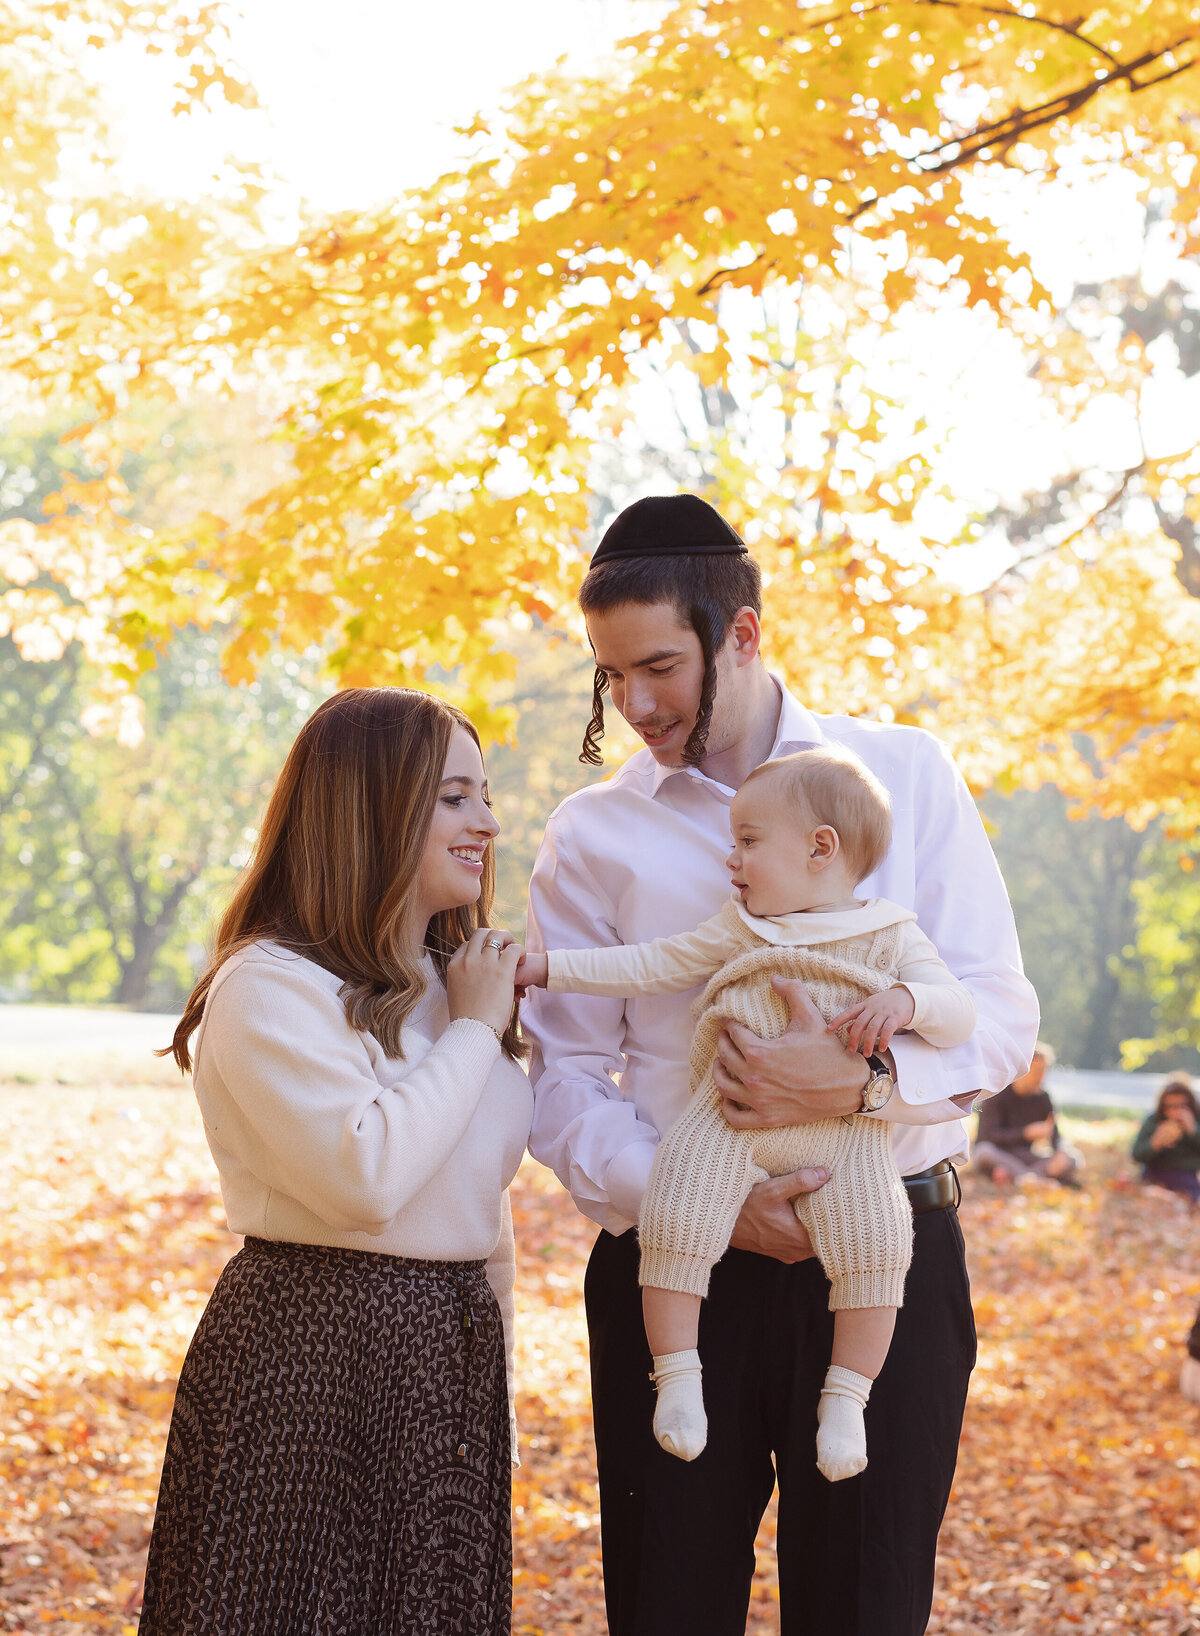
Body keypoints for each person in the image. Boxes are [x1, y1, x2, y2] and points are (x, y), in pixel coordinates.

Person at [523, 492, 1039, 1636]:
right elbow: (561, 1077)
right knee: (667, 1610)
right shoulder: (592, 832)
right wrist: (699, 1201)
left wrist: (863, 1085)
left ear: (743, 633)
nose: (636, 704)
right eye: (611, 676)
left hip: (887, 1254)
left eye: (658, 665)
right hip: (678, 1273)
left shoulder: (904, 774)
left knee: (865, 1610)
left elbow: (997, 1009)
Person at [139, 689, 532, 1636]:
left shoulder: (459, 987)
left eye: (484, 795)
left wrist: (496, 1385)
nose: (487, 821)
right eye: (453, 798)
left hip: (447, 1361)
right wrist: (477, 1030)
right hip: (309, 1355)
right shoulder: (270, 987)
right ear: (368, 807)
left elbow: (484, 1206)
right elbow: (367, 1179)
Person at [518, 745, 976, 1482]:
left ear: (820, 848)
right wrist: (550, 967)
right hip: (725, 1117)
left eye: (749, 843)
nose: (731, 859)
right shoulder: (743, 927)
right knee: (673, 1211)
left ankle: (847, 1397)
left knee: (881, 1242)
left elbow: (960, 1015)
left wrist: (908, 1001)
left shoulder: (892, 933)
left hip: (841, 1136)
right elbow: (649, 962)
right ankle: (677, 1378)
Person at [971, 1043, 1082, 1188]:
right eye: (1036, 1072)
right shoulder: (997, 1094)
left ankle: (1022, 1179)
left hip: (1025, 1157)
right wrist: (1025, 1133)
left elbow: (1055, 1136)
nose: (1041, 1077)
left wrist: (1061, 1152)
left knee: (1073, 1158)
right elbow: (987, 1137)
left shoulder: (1043, 1098)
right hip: (999, 1154)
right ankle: (1033, 1179)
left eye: (1044, 1071)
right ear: (1021, 1070)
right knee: (984, 1152)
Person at [1132, 1074, 1200, 1203]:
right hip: (1157, 1175)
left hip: (1189, 1177)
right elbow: (1136, 1155)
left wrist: (1193, 1131)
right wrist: (1155, 1143)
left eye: (1182, 1106)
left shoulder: (1197, 1119)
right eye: (1170, 1106)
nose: (1175, 1112)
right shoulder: (1154, 1121)